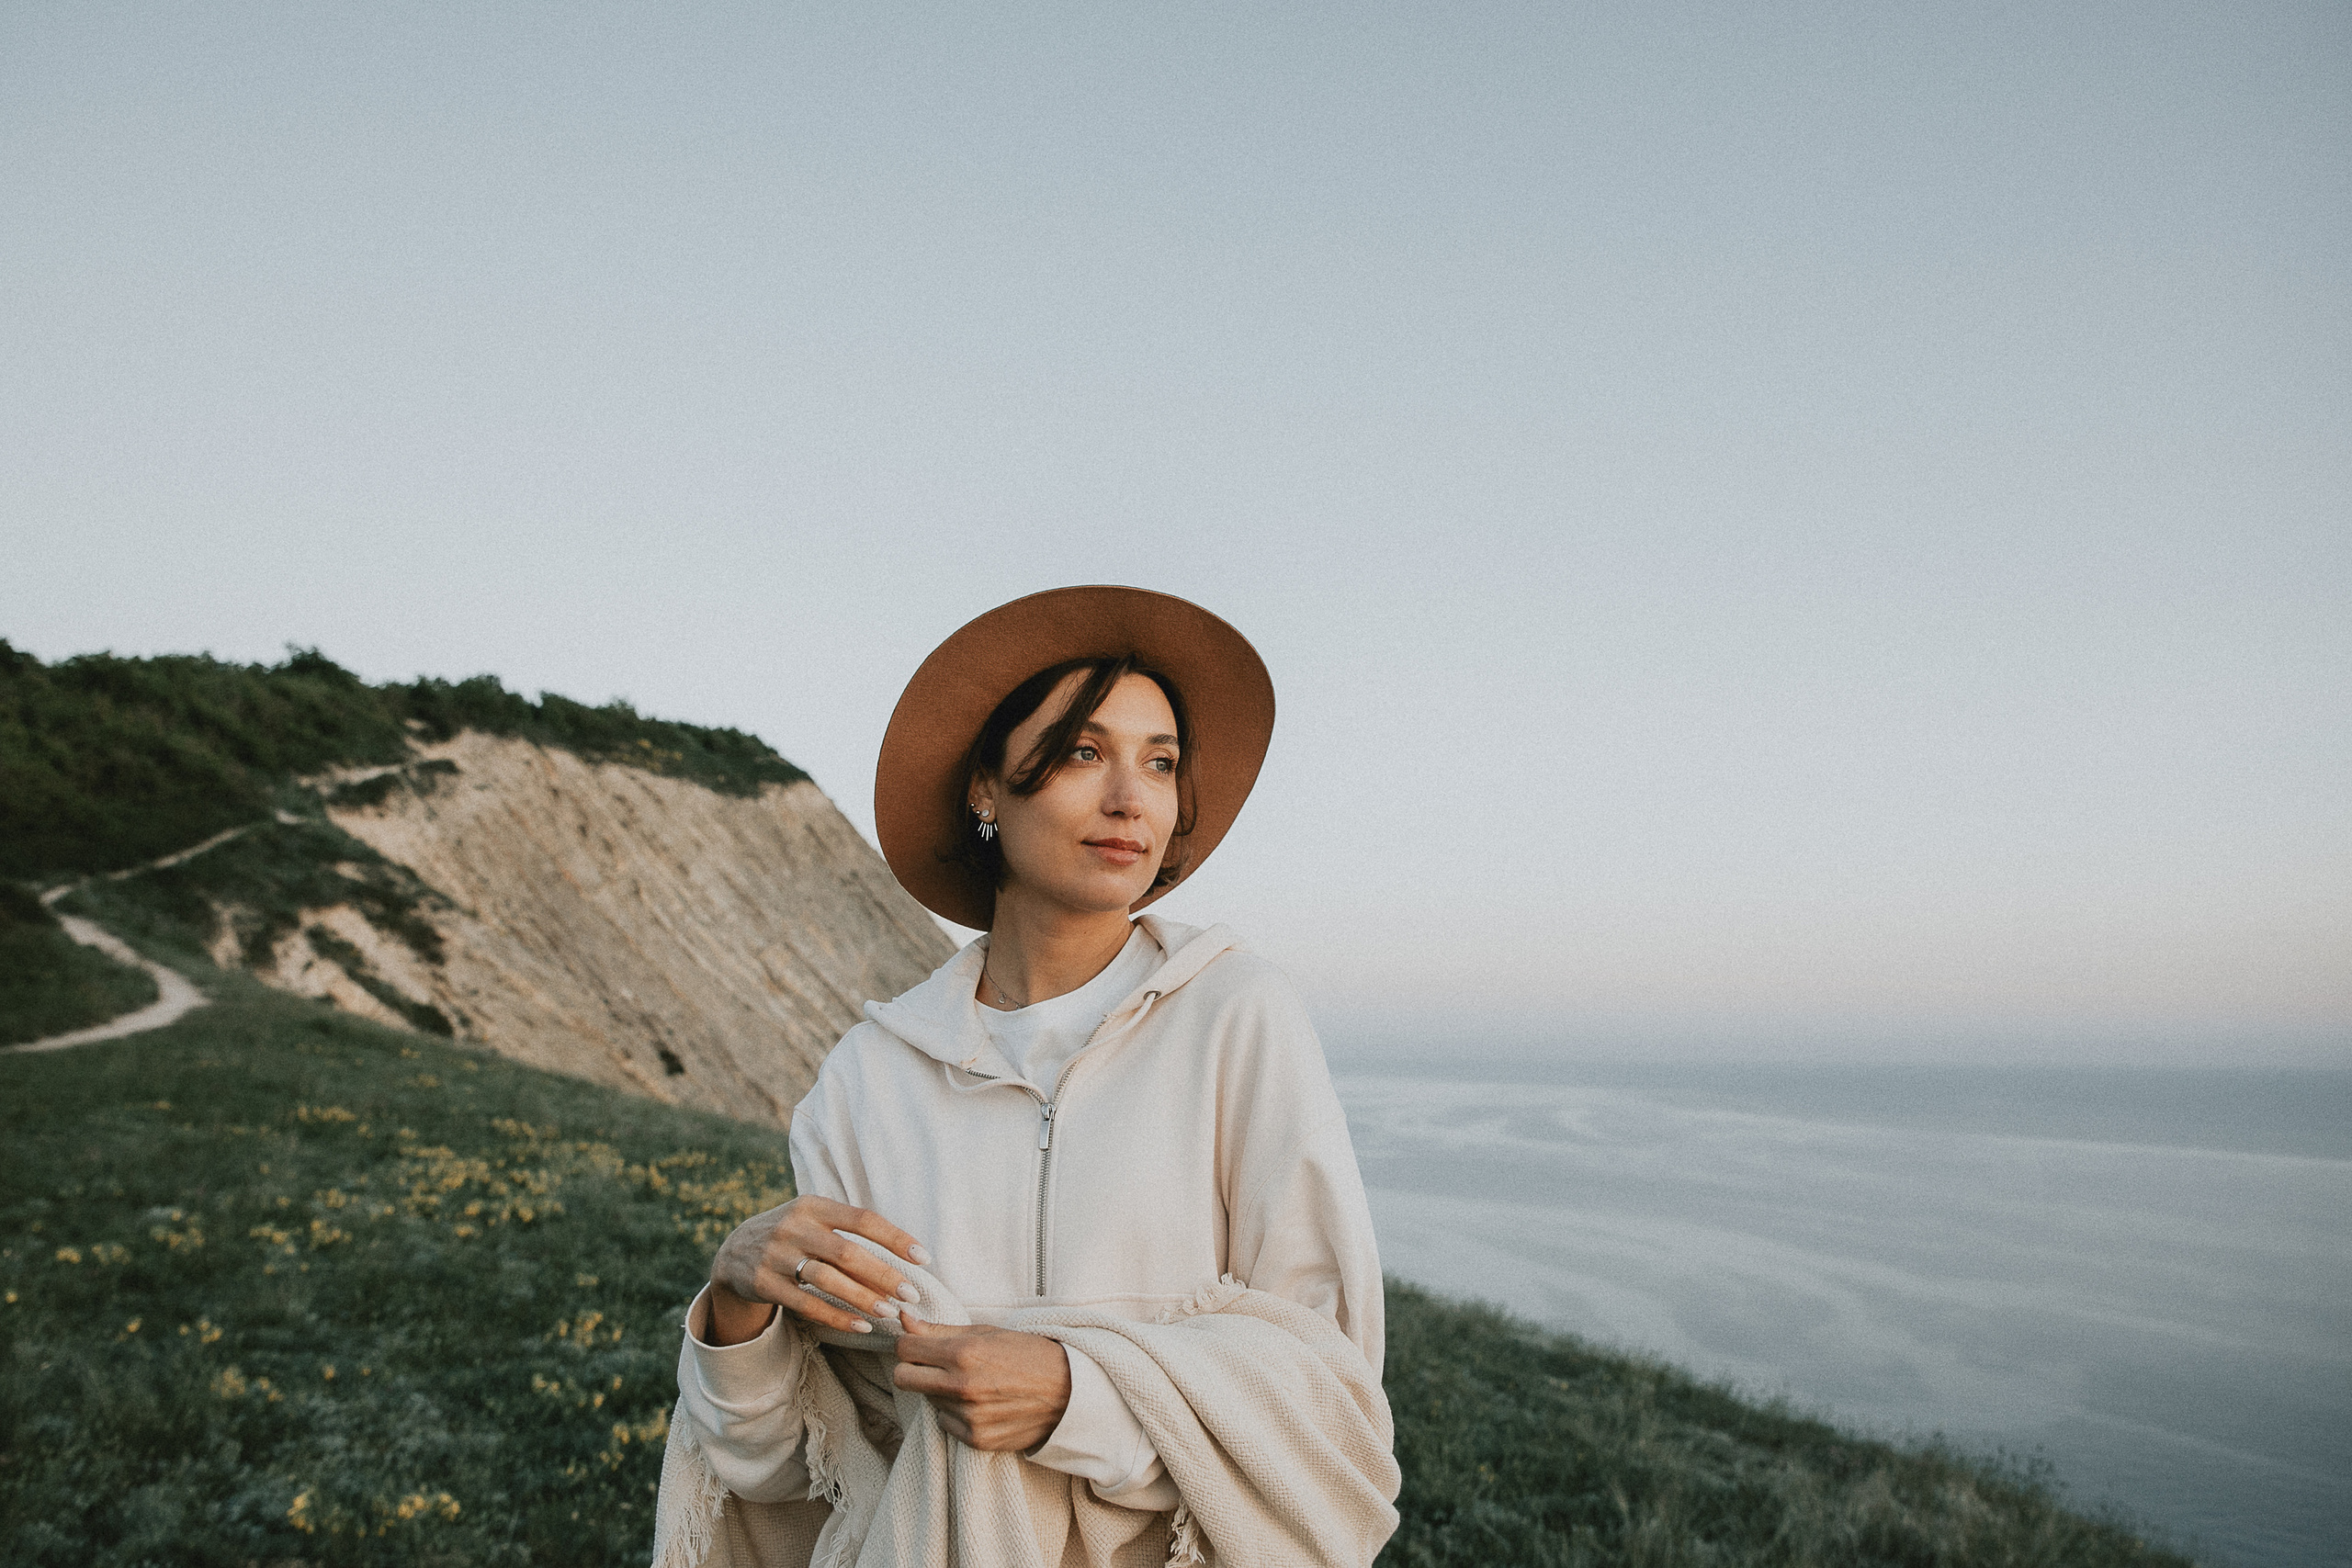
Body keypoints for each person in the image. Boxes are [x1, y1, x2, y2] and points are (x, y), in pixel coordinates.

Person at [650, 587, 1399, 1568]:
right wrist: (738, 1320)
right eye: (1085, 752)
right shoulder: (868, 1080)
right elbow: (796, 1475)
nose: (1131, 798)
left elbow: (1323, 1402)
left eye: (1160, 762)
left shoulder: (1236, 1016)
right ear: (985, 789)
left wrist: (1072, 1397)